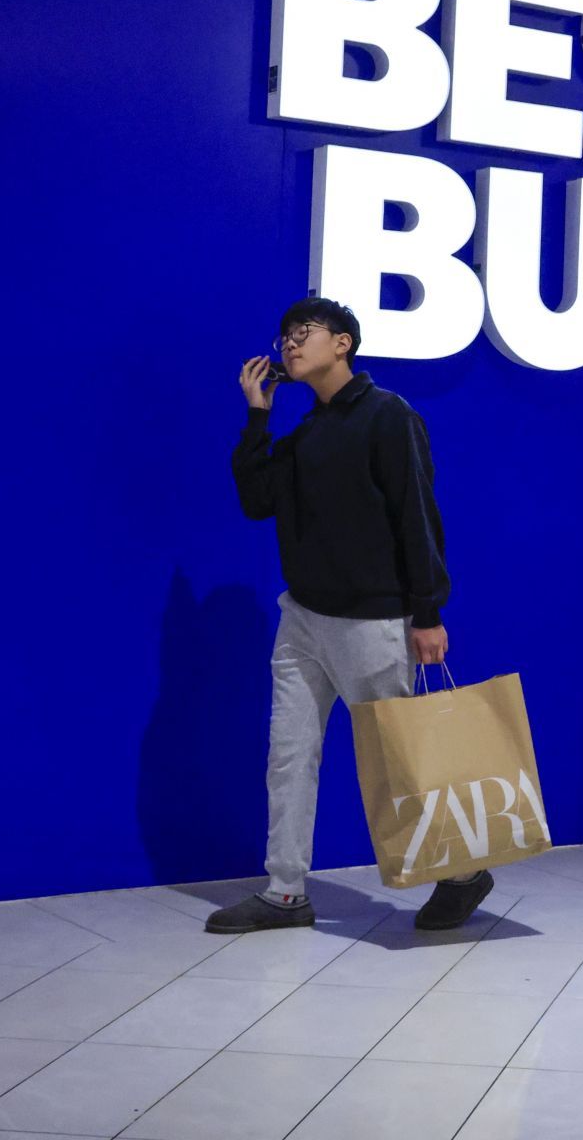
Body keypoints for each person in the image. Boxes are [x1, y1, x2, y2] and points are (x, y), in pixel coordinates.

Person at [205, 298, 495, 933]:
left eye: (302, 333)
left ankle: (462, 873)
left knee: (397, 762)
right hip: (302, 619)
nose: (288, 344)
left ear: (343, 343)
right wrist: (259, 415)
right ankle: (285, 892)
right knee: (288, 757)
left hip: (371, 623)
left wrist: (427, 613)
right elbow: (257, 501)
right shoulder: (307, 432)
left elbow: (417, 515)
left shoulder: (388, 416)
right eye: (282, 336)